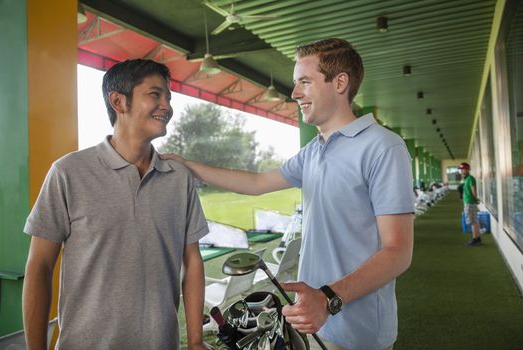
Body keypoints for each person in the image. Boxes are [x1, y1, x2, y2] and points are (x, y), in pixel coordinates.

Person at [161, 38, 414, 350]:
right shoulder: (313, 151)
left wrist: (328, 297)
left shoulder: (383, 147)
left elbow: (398, 252)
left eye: (305, 82)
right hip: (308, 320)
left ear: (340, 82)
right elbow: (257, 183)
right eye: (296, 83)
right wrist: (189, 166)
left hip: (356, 333)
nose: (294, 94)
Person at [22, 59, 209, 350]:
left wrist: (196, 340)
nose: (167, 106)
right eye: (155, 94)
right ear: (119, 101)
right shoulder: (68, 173)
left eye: (168, 97)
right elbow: (39, 266)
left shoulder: (179, 179)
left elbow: (193, 261)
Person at [458, 162, 481, 246]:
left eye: (463, 169)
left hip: (469, 203)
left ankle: (475, 239)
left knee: (472, 222)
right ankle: (477, 238)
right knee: (475, 221)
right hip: (469, 202)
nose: (461, 171)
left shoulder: (470, 179)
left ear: (467, 169)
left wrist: (475, 199)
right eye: (461, 170)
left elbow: (473, 190)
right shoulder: (467, 179)